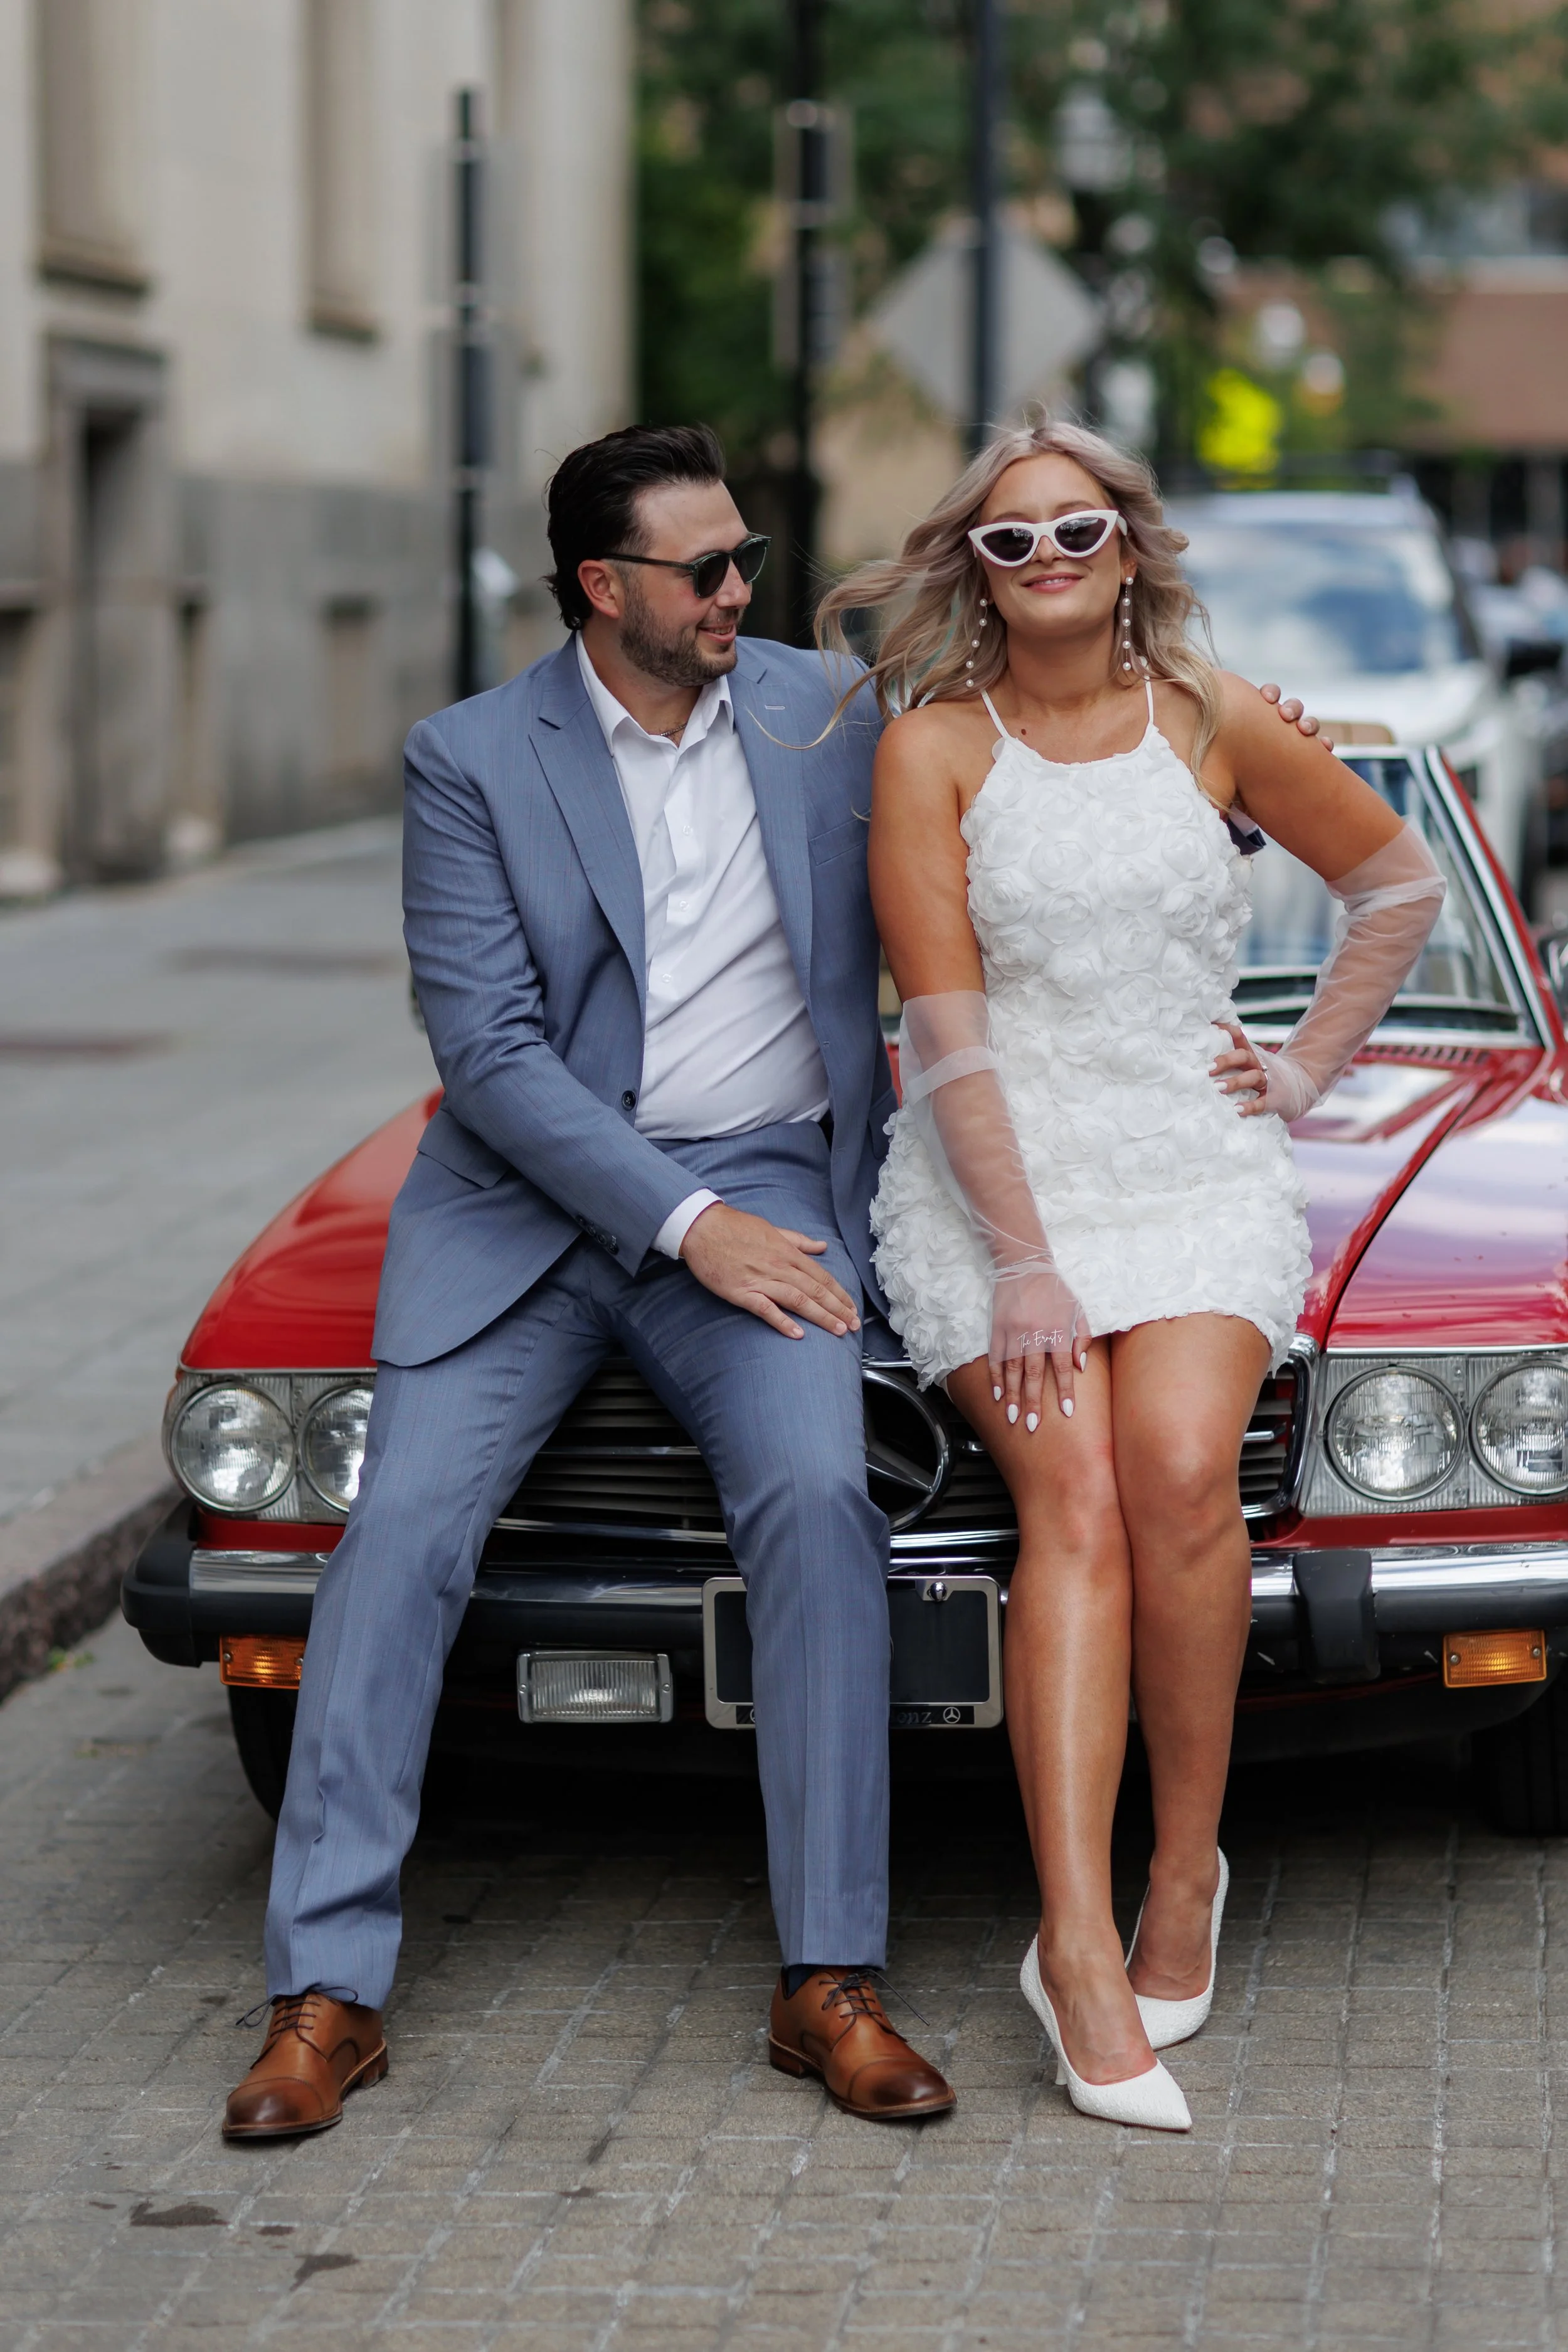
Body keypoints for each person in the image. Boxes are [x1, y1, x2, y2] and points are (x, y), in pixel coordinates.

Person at [222, 423, 961, 2138]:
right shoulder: (471, 757)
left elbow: (1021, 788)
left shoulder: (831, 711)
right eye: (703, 569)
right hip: (523, 1210)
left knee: (818, 1497)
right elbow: (488, 1053)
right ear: (600, 587)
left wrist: (1230, 785)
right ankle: (324, 1994)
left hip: (768, 1184)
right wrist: (682, 1222)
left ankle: (829, 1978)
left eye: (745, 557)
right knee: (400, 1532)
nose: (738, 589)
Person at [820, 418, 1443, 2131]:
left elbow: (1394, 884)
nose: (1045, 559)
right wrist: (1022, 1262)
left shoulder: (1214, 719)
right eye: (1009, 538)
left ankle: (1185, 1871)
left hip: (1189, 1164)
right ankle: (1076, 1943)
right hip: (992, 1182)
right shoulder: (933, 748)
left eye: (1074, 528)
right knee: (1074, 1495)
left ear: (1130, 547)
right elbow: (944, 1030)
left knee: (1181, 1472)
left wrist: (1302, 1069)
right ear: (974, 567)